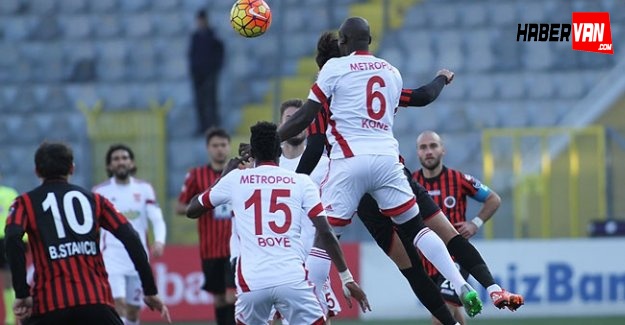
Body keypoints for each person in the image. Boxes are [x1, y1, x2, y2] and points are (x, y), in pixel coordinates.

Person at [298, 31, 524, 322]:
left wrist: (292, 181)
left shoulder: (323, 94)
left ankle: (448, 321)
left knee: (410, 269)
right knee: (444, 235)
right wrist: (441, 77)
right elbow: (422, 95)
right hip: (392, 172)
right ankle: (489, 287)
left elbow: (315, 146)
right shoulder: (377, 78)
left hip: (355, 187)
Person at [187, 122, 370, 324]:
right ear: (279, 152)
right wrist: (346, 277)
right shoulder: (301, 181)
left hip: (252, 283)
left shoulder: (236, 180)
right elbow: (325, 232)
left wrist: (223, 176)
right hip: (291, 279)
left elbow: (192, 209)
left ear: (253, 153)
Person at [4, 142, 170, 325]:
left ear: (37, 171)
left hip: (49, 304)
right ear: (72, 168)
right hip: (96, 303)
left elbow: (12, 237)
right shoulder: (96, 200)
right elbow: (131, 237)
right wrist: (150, 289)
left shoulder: (24, 203)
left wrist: (22, 293)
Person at [413, 131, 502, 325]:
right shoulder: (410, 183)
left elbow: (493, 198)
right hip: (426, 261)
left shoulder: (458, 179)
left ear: (442, 150)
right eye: (423, 147)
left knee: (442, 315)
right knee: (455, 313)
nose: (429, 151)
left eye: (433, 146)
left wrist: (475, 223)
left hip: (455, 258)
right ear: (418, 153)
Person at [277, 99, 340, 321]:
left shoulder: (326, 164)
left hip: (314, 258)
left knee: (322, 317)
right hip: (278, 262)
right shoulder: (269, 168)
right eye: (289, 119)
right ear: (281, 125)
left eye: (300, 119)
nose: (296, 123)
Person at [92, 144, 167, 325]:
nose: (121, 162)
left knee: (133, 312)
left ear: (132, 163)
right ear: (109, 166)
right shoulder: (99, 192)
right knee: (118, 305)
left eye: (124, 158)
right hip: (111, 257)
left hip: (137, 258)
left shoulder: (144, 189)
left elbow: (156, 218)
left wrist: (159, 241)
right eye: (116, 159)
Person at [175, 128, 235, 325]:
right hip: (210, 248)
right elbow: (180, 206)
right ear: (208, 148)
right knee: (219, 299)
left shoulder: (239, 174)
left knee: (232, 296)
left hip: (235, 247)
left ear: (229, 146)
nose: (219, 150)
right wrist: (204, 204)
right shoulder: (196, 175)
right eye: (215, 146)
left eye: (223, 145)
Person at [189, 9, 224, 134]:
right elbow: (191, 55)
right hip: (198, 74)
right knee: (200, 101)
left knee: (211, 100)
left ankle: (213, 125)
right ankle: (202, 126)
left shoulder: (213, 35)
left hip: (210, 73)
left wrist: (216, 68)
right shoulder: (195, 37)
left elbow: (220, 52)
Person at [0, 174, 18, 325]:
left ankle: (10, 318)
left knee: (7, 279)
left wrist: (23, 239)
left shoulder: (10, 193)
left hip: (4, 239)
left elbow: (17, 218)